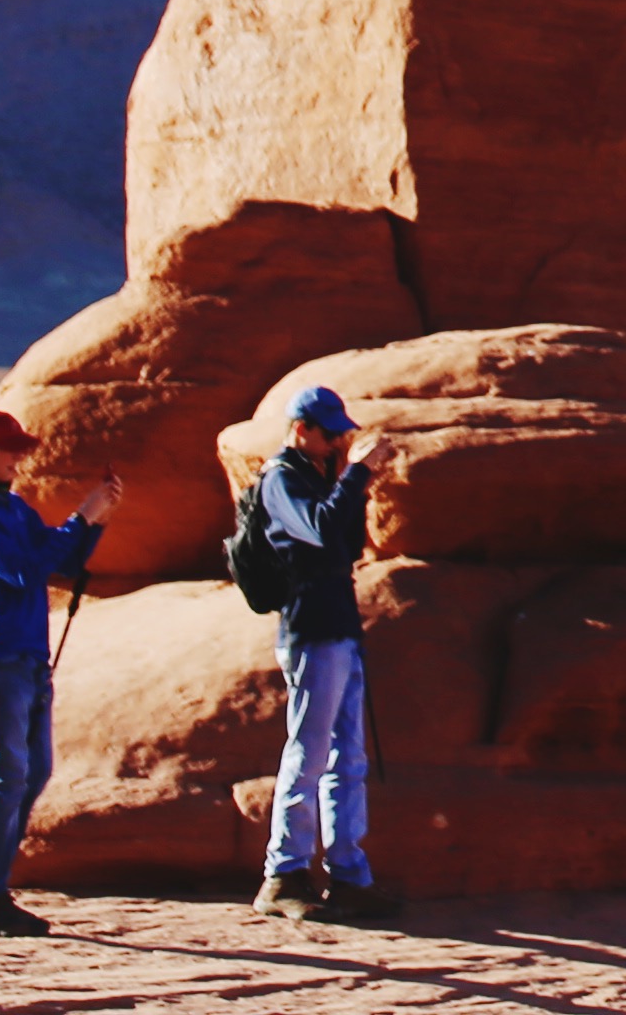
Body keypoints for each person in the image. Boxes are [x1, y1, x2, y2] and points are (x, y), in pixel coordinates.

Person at [0, 407, 107, 937]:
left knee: (31, 773)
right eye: (8, 450)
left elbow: (62, 561)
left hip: (28, 655)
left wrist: (93, 523)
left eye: (19, 449)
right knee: (8, 771)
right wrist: (81, 518)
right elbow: (22, 570)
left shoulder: (12, 509)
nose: (18, 459)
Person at [232, 383, 396, 924]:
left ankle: (349, 874)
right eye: (330, 434)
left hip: (339, 627)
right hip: (310, 632)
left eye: (341, 435)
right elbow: (321, 531)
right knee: (309, 752)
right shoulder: (280, 477)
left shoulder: (317, 475)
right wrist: (356, 475)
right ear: (301, 429)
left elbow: (346, 544)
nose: (336, 443)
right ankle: (283, 873)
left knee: (348, 756)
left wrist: (355, 479)